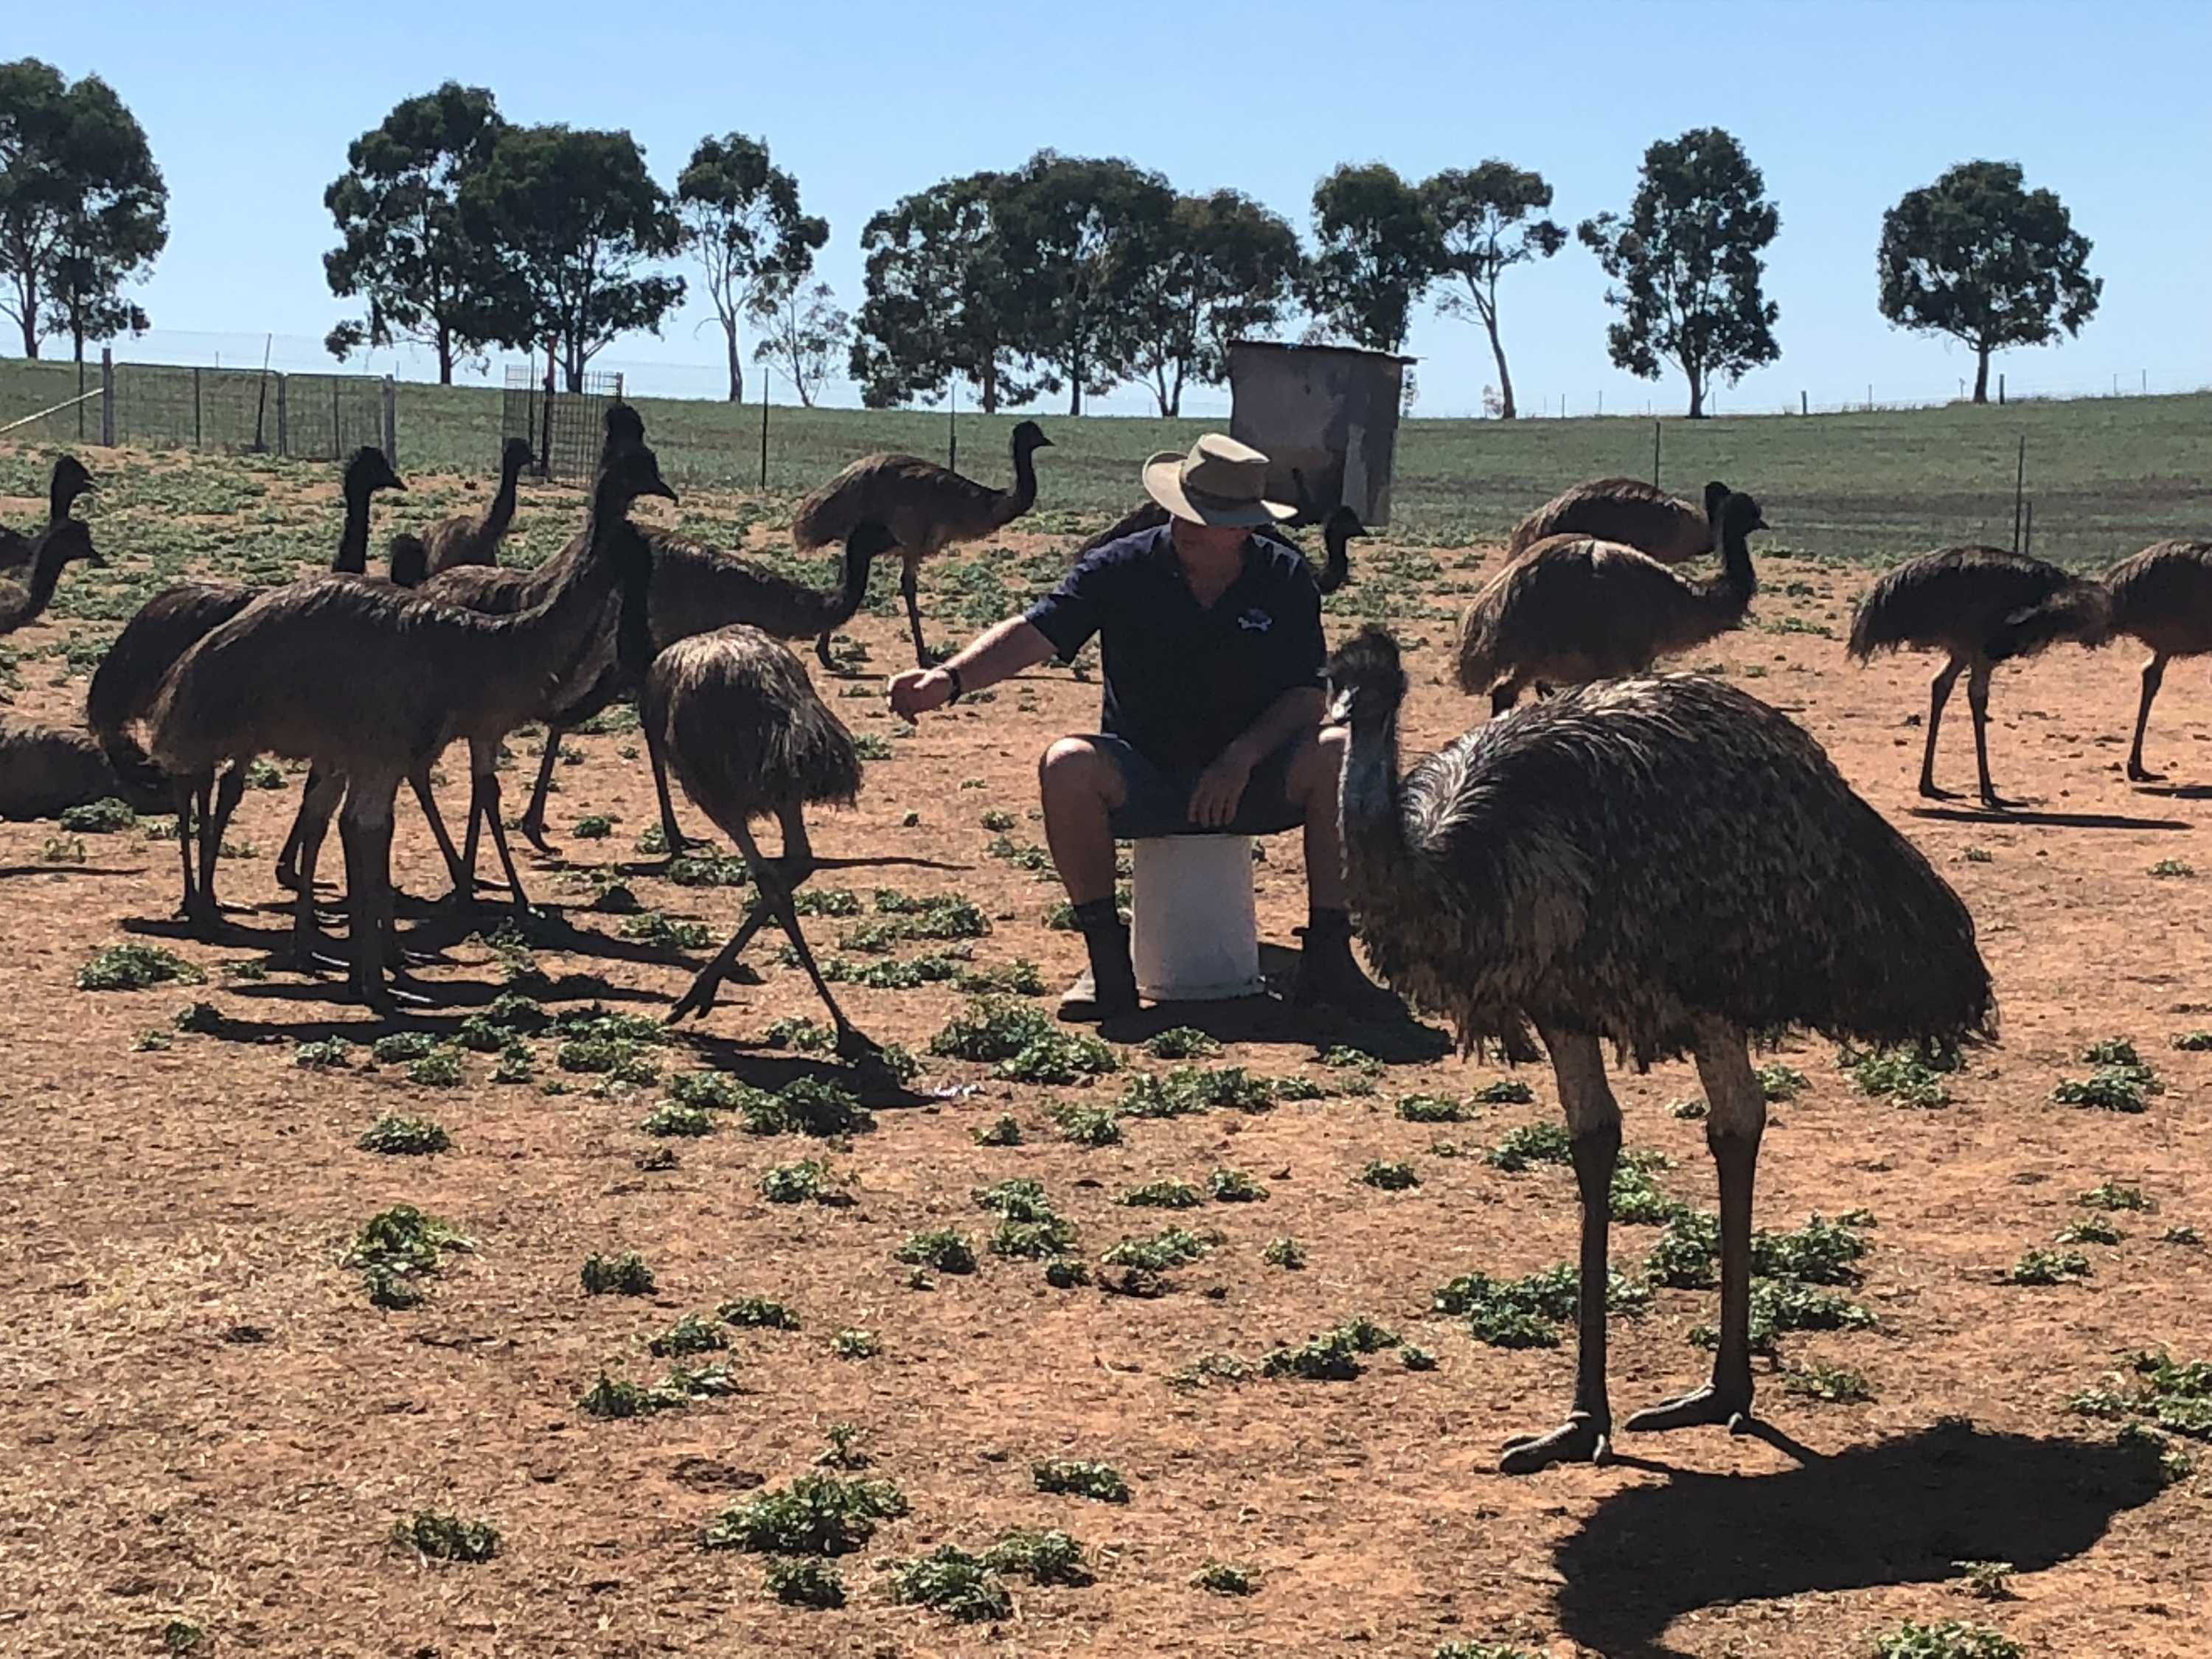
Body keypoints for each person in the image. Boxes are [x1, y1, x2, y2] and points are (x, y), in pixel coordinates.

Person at [889, 433, 1394, 1023]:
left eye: (1203, 518)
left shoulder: (1283, 577)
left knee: (1341, 747)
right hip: (1145, 774)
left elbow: (1309, 694)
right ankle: (1109, 966)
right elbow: (1035, 632)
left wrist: (1241, 757)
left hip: (1254, 779)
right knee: (1067, 765)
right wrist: (947, 680)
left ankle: (1328, 958)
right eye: (1183, 508)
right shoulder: (1124, 565)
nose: (1183, 524)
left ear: (1241, 530)